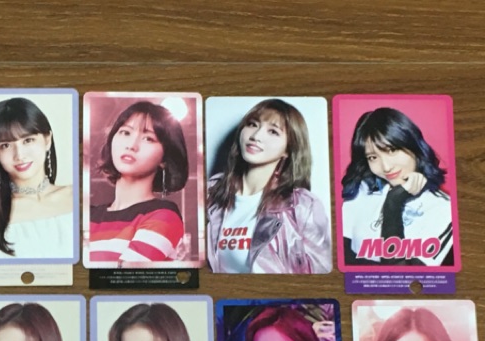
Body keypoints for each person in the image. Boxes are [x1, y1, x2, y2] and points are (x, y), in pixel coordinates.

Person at [207, 98, 331, 274]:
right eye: (252, 124)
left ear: (288, 149)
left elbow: (319, 274)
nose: (256, 136)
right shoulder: (211, 193)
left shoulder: (301, 206)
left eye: (273, 131)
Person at [341, 106, 453, 267]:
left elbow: (401, 273)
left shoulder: (443, 209)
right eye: (373, 157)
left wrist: (393, 203)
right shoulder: (362, 191)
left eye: (392, 150)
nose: (386, 167)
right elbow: (341, 258)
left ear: (413, 146)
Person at [0, 97, 74, 260]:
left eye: (28, 140)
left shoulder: (79, 199)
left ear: (47, 140)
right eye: (6, 145)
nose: (19, 155)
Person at [89, 100, 188, 266]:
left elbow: (121, 278)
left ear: (164, 159)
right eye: (125, 133)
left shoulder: (164, 216)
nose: (131, 145)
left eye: (148, 138)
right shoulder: (88, 215)